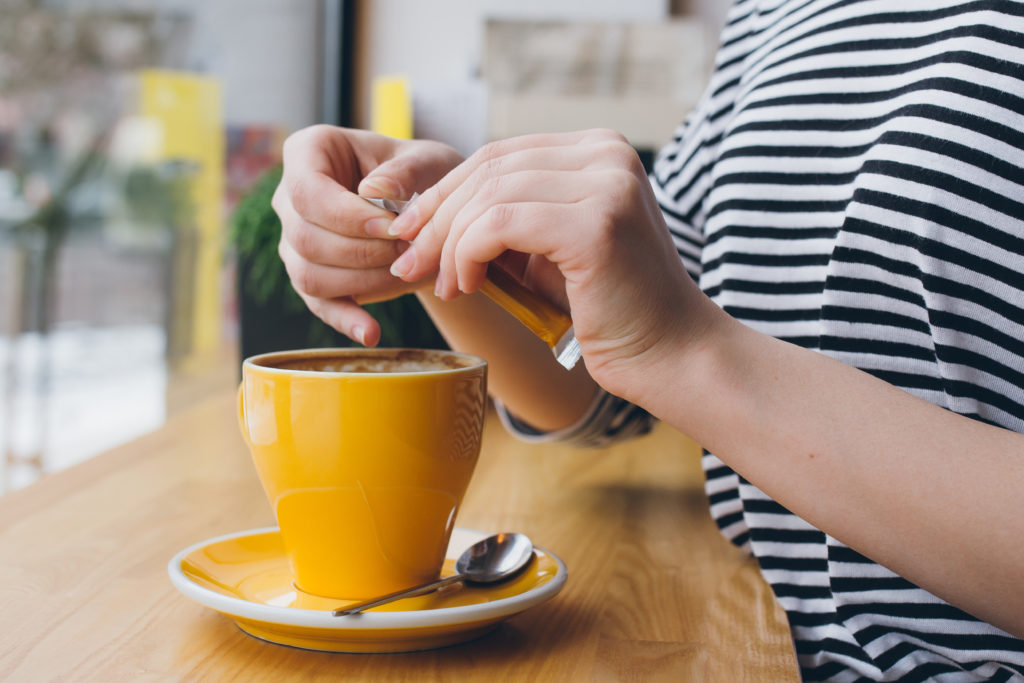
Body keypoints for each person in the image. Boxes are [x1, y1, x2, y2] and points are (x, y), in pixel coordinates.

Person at [271, 1, 1024, 679]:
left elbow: (683, 351)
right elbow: (616, 373)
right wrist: (447, 237)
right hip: (756, 648)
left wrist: (688, 354)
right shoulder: (773, 16)